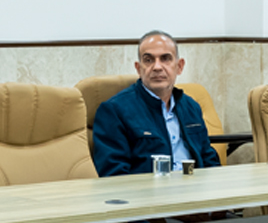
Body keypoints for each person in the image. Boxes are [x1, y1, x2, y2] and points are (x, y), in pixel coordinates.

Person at [91, 30, 222, 176]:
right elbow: (113, 174)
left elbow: (209, 160)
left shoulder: (191, 106)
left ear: (179, 66)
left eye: (165, 59)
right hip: (147, 189)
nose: (157, 67)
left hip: (194, 186)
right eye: (148, 60)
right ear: (139, 68)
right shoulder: (114, 111)